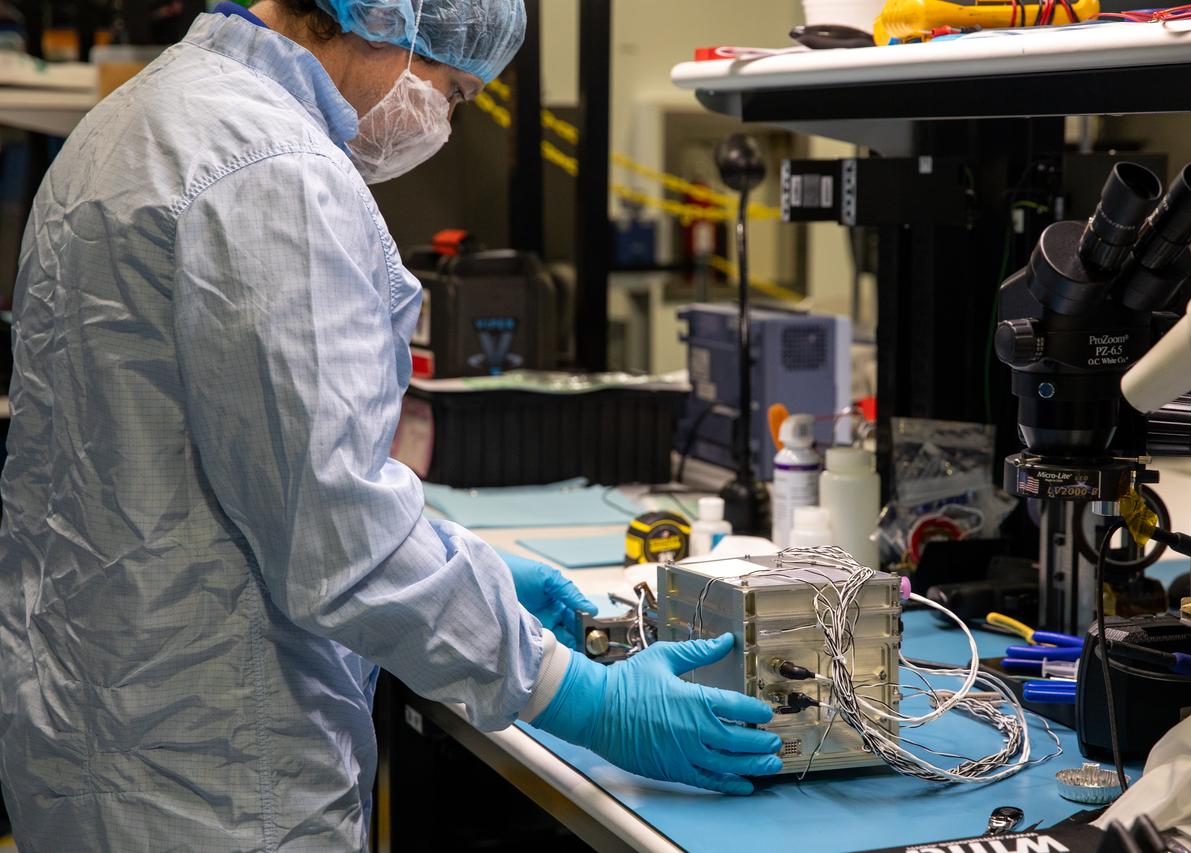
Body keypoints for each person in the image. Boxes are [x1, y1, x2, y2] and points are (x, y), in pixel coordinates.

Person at [0, 0, 782, 849]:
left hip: (86, 724)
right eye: (453, 92)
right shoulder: (275, 171)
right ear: (385, 20)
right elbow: (342, 542)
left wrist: (462, 562)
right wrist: (579, 693)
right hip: (212, 774)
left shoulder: (136, 119)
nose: (441, 121)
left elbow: (243, 457)